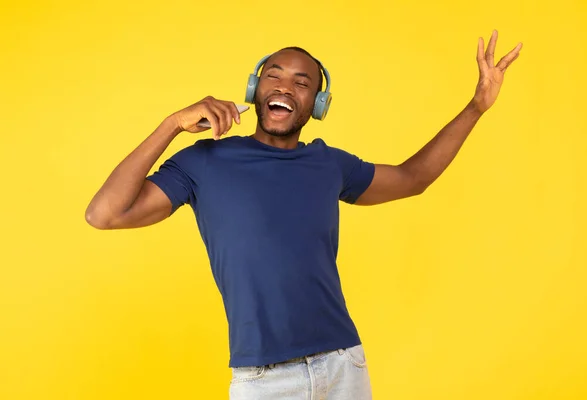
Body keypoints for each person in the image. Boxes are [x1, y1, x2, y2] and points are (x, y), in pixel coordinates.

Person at [85, 30, 522, 399]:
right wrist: (171, 125)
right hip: (264, 379)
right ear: (255, 90)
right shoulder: (204, 161)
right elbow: (104, 214)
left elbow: (413, 177)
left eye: (301, 82)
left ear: (316, 103)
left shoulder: (329, 164)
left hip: (343, 366)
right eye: (273, 76)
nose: (283, 87)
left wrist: (476, 107)